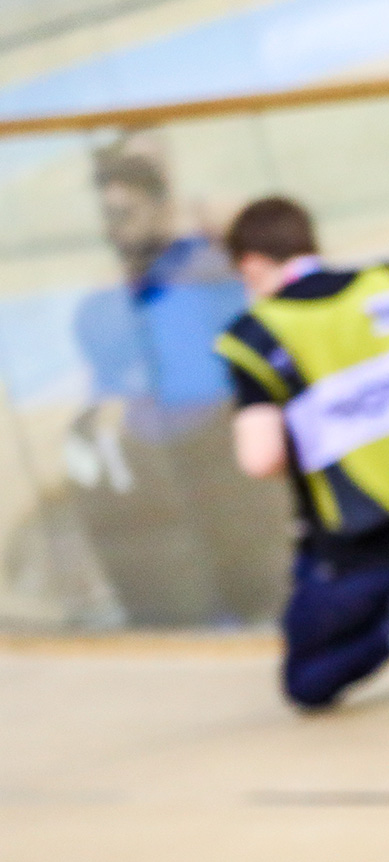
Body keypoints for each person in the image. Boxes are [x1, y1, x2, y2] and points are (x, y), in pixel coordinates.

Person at [213, 197, 389, 709]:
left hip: (357, 546)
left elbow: (260, 458)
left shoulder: (256, 334)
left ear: (250, 264)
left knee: (307, 682)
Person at [69, 148, 288, 624]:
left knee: (259, 584)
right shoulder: (103, 307)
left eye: (126, 212)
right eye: (109, 215)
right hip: (161, 463)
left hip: (223, 449)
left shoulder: (208, 272)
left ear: (160, 208)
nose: (116, 227)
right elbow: (107, 391)